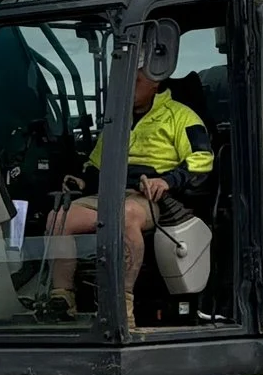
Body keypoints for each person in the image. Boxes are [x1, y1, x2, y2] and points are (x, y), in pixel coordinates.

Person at [47, 54, 214, 313]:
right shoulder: (116, 121)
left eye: (135, 80)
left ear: (155, 82)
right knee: (59, 218)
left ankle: (120, 304)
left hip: (149, 197)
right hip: (110, 192)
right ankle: (62, 297)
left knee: (125, 217)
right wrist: (84, 179)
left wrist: (167, 181)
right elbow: (96, 163)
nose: (128, 86)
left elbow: (202, 159)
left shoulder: (181, 116)